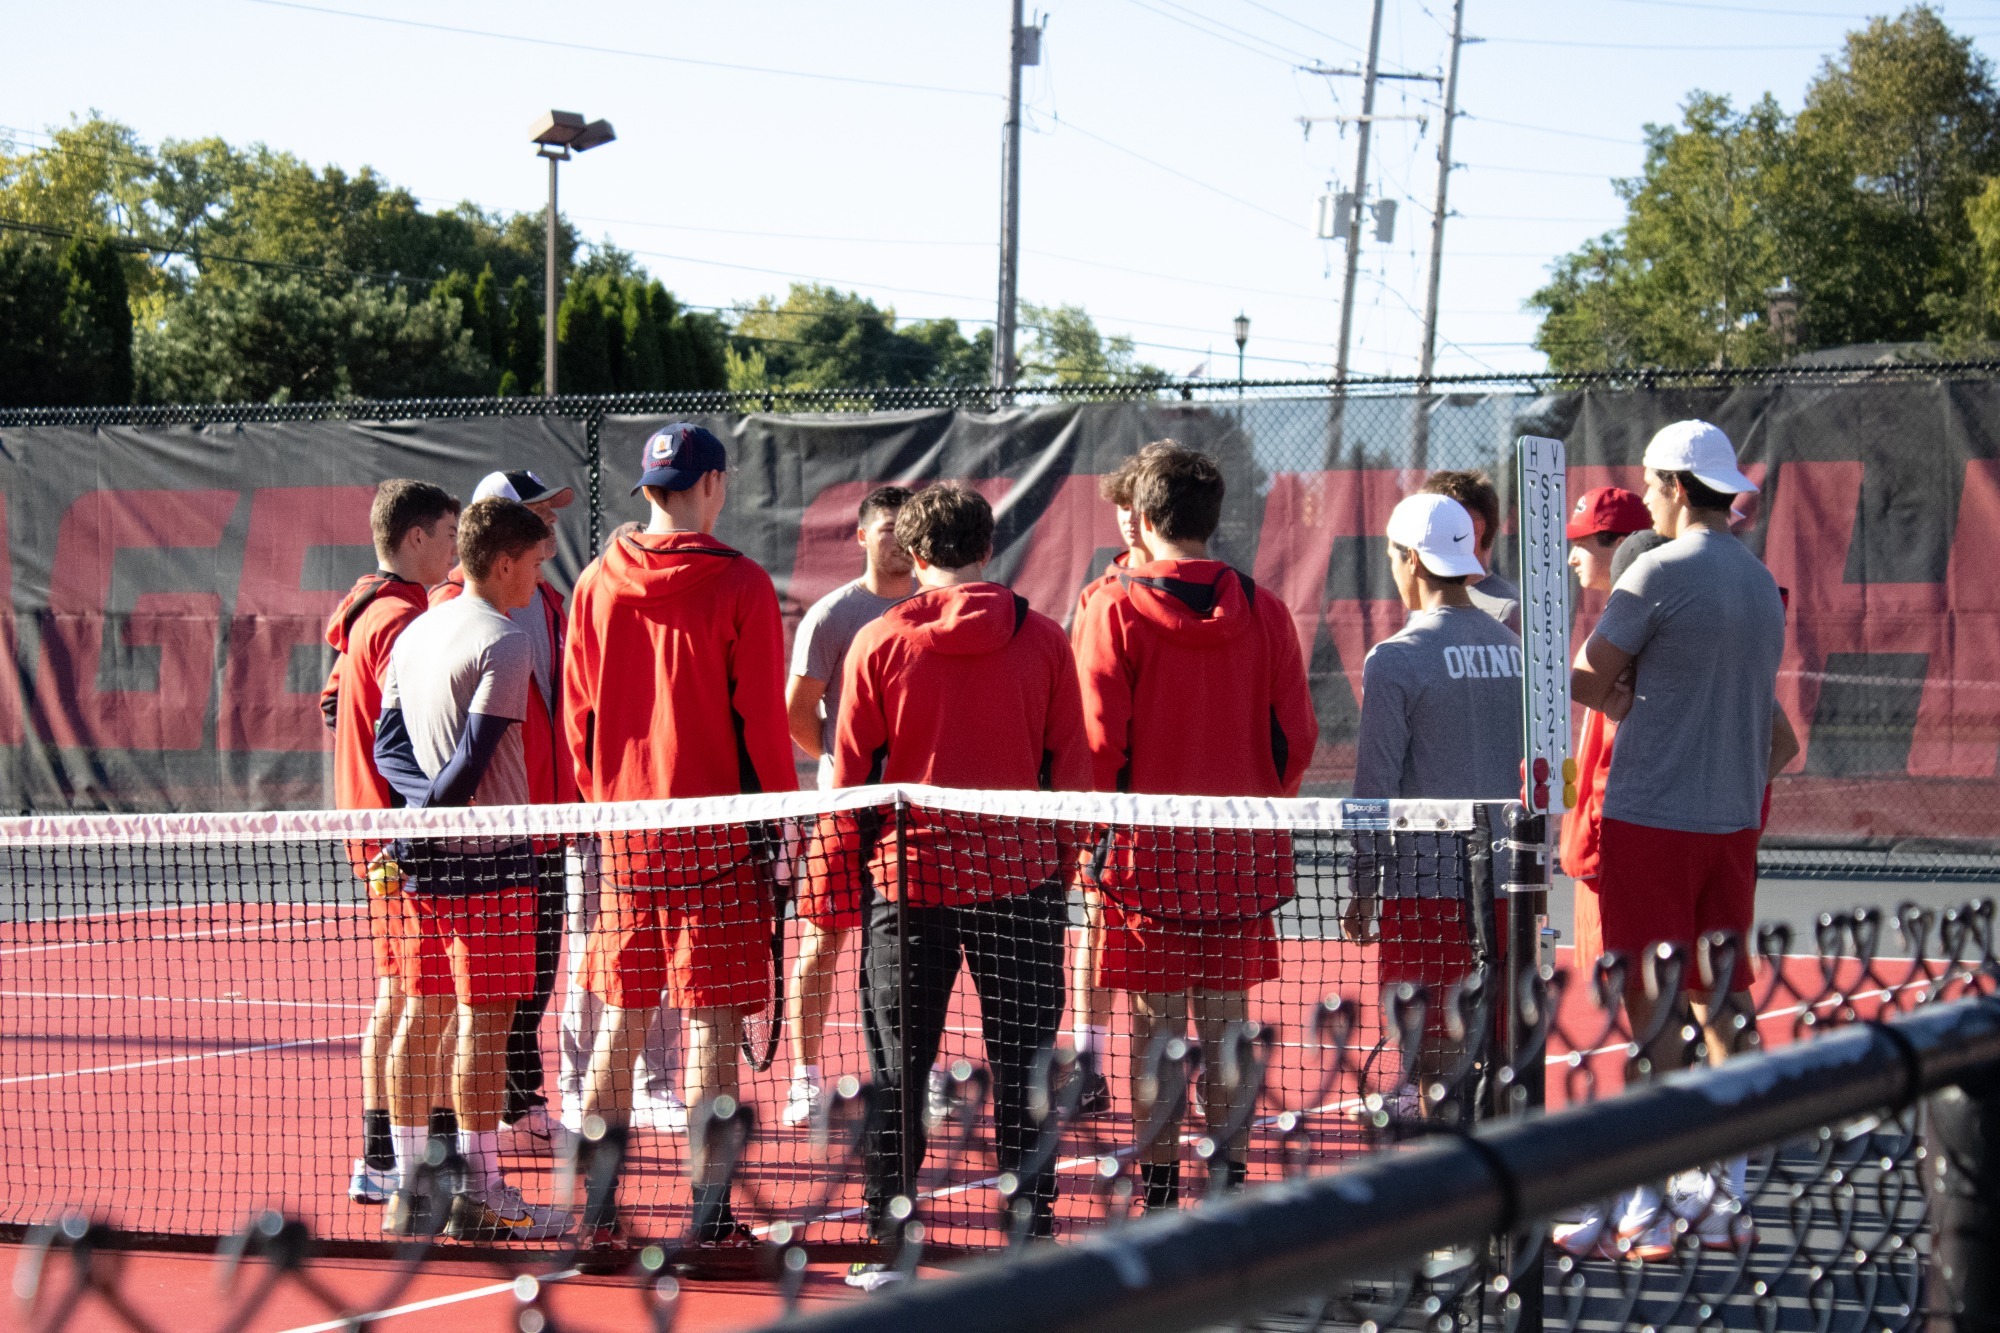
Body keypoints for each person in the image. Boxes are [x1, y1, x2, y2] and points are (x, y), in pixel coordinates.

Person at [835, 484, 1089, 1259]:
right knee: (1026, 1063)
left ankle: (887, 1220)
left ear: (913, 557)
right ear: (988, 549)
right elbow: (1072, 770)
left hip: (910, 888)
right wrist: (1062, 860)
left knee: (897, 1069)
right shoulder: (1046, 639)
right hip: (1019, 884)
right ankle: (1032, 1224)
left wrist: (850, 866)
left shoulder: (878, 640)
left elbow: (850, 781)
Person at [562, 423, 797, 1247]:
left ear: (651, 489)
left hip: (627, 839)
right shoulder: (743, 584)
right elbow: (763, 722)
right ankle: (708, 1216)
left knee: (620, 1029)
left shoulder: (595, 580)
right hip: (720, 841)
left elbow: (578, 719)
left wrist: (607, 805)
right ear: (714, 484)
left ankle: (591, 1216)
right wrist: (781, 822)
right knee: (711, 1031)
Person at [1567, 420, 1793, 1259]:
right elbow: (1777, 740)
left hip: (1652, 823)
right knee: (1722, 999)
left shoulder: (1657, 571)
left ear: (1669, 485)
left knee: (1651, 1013)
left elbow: (1587, 676)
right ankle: (1723, 1188)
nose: (1648, 499)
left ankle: (1647, 1196)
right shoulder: (1760, 579)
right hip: (1733, 824)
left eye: (1652, 485)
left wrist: (1632, 701)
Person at [1072, 445, 1317, 1211]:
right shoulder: (1266, 607)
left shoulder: (1107, 606)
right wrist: (1251, 802)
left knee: (1154, 1038)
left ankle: (1160, 1199)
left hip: (1144, 863)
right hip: (1239, 857)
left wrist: (1091, 841)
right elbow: (1297, 739)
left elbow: (1095, 744)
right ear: (1216, 519)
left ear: (1141, 519)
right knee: (1227, 1032)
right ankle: (1230, 1194)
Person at [371, 497, 571, 1241]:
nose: (539, 577)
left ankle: (409, 1187)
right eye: (536, 562)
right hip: (490, 866)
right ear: (505, 562)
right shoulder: (506, 639)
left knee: (423, 1018)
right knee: (485, 1031)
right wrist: (434, 822)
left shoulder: (417, 630)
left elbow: (386, 749)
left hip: (428, 865)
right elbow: (472, 761)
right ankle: (482, 1190)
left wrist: (416, 827)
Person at [1348, 492, 1524, 1111]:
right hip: (1508, 886)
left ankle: (1449, 1191)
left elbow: (1374, 791)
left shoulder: (1395, 659)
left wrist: (1363, 885)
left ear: (1411, 562)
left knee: (1433, 1065)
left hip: (1425, 887)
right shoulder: (1515, 652)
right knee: (1506, 1057)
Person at [321, 480, 460, 1207]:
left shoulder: (363, 612)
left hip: (375, 835)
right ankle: (408, 1163)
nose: (457, 546)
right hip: (402, 842)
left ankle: (382, 1156)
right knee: (428, 1001)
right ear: (413, 541)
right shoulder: (405, 619)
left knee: (400, 994)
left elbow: (331, 704)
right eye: (447, 532)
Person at [431, 469, 578, 1155]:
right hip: (478, 838)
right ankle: (455, 1145)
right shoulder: (445, 611)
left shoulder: (549, 602)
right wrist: (424, 813)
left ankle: (517, 1103)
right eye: (540, 514)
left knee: (534, 975)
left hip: (544, 828)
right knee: (476, 997)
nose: (552, 527)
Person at [782, 486, 915, 1127]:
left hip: (915, 814)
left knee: (917, 953)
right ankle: (804, 1080)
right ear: (861, 536)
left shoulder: (933, 606)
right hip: (845, 809)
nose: (898, 538)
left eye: (906, 527)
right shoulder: (833, 616)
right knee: (820, 946)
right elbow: (798, 715)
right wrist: (837, 762)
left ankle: (912, 1076)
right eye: (886, 527)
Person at [1062, 442, 1175, 1116]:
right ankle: (1088, 1064)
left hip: (1185, 819)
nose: (1129, 519)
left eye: (1139, 505)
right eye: (1121, 506)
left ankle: (1172, 1087)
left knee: (1181, 962)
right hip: (1113, 813)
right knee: (1098, 932)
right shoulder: (1100, 596)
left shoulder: (1215, 593)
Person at [1557, 488, 1656, 972]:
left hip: (1613, 849)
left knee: (1638, 993)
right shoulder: (1621, 620)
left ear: (1620, 545)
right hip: (1599, 846)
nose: (1572, 556)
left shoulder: (1644, 625)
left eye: (1584, 542)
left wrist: (1595, 837)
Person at [1421, 469, 1520, 632]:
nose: (1427, 533)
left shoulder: (1509, 610)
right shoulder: (1423, 596)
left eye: (1438, 523)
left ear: (1475, 529)